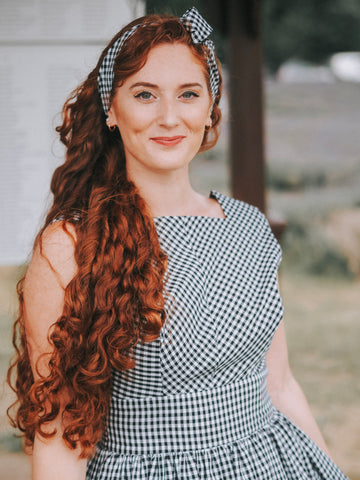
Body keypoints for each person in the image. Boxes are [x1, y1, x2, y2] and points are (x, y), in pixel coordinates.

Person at [7, 7, 348, 480]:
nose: (169, 117)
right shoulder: (69, 246)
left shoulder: (248, 225)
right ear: (111, 108)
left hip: (273, 464)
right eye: (145, 94)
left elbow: (281, 383)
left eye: (188, 94)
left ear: (210, 107)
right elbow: (58, 429)